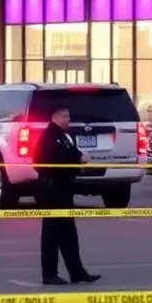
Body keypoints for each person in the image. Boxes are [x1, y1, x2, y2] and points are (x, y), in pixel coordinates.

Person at [33, 107, 101, 285]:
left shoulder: (64, 136)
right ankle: (49, 274)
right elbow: (51, 159)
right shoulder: (50, 137)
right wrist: (77, 159)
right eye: (65, 116)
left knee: (69, 234)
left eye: (69, 116)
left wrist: (79, 159)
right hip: (51, 191)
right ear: (54, 117)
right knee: (51, 234)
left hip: (64, 190)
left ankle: (77, 272)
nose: (68, 119)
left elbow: (72, 153)